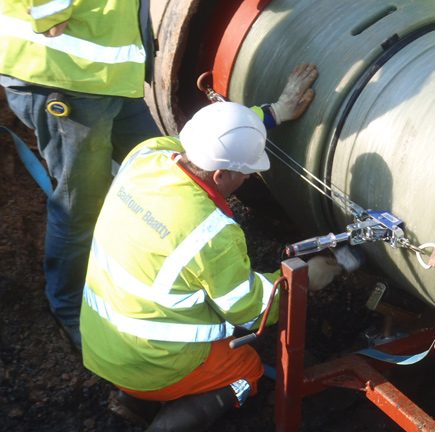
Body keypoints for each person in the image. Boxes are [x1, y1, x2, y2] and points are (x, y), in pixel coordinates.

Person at [79, 64, 343, 430]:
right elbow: (251, 310)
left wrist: (274, 113)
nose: (248, 177)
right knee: (246, 372)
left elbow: (212, 137)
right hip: (152, 362)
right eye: (246, 172)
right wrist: (306, 281)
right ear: (220, 175)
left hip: (100, 340)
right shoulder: (209, 232)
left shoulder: (148, 154)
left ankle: (132, 402)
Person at [0, 0, 161, 348]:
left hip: (109, 75)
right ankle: (69, 306)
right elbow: (49, 17)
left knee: (161, 171)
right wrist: (51, 11)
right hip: (66, 75)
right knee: (80, 205)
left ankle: (149, 277)